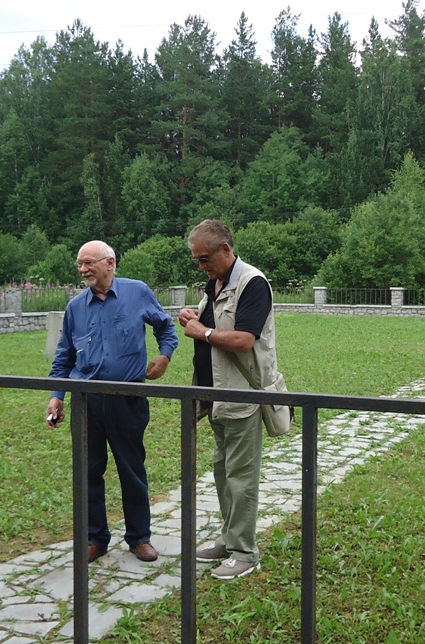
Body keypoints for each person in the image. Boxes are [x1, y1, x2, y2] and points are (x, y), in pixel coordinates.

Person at [47, 240, 178, 563]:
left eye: (89, 263)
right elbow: (63, 357)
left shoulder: (137, 293)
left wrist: (164, 357)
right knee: (89, 470)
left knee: (131, 469)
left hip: (128, 398)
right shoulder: (76, 307)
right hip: (86, 401)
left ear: (110, 263)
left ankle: (139, 537)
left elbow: (166, 328)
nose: (83, 270)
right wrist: (56, 396)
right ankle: (95, 538)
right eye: (80, 264)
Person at [177, 219, 280, 581]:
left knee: (241, 477)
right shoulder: (216, 282)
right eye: (197, 261)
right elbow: (211, 324)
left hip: (241, 397)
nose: (201, 266)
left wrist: (202, 331)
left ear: (225, 249)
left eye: (205, 259)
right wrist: (193, 316)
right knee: (223, 473)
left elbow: (243, 340)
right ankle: (229, 539)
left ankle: (245, 553)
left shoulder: (252, 283)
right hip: (216, 397)